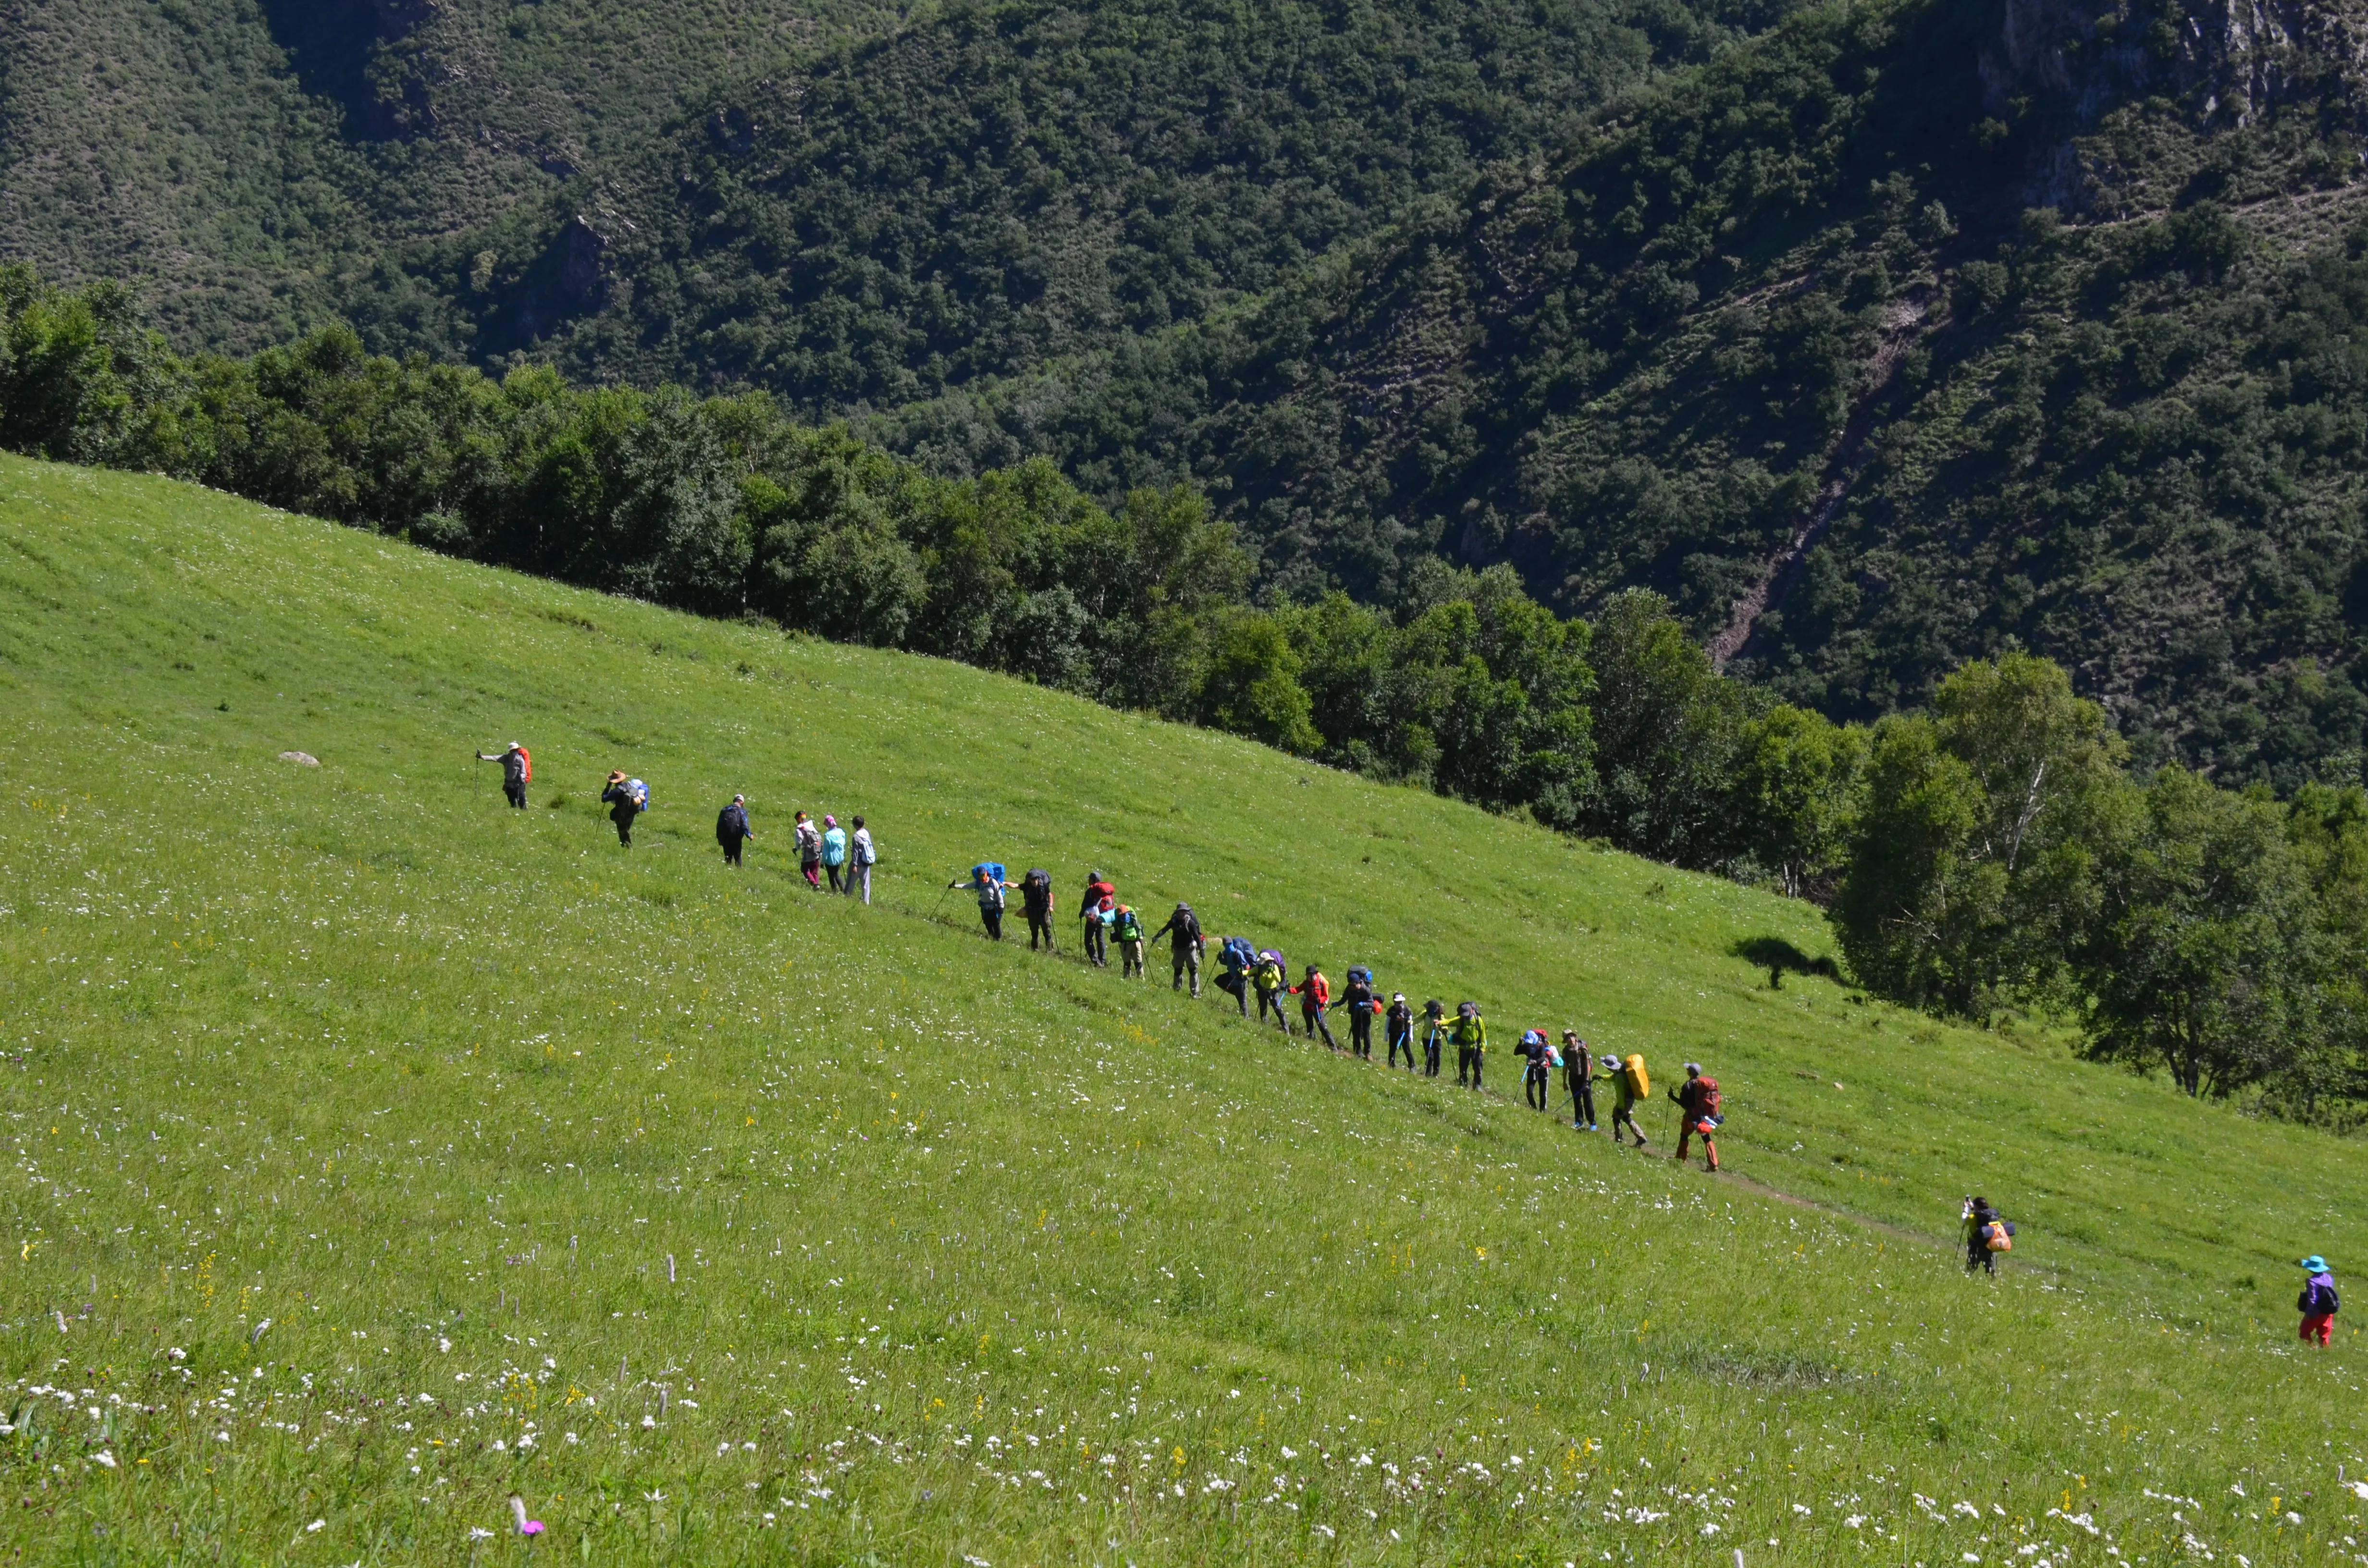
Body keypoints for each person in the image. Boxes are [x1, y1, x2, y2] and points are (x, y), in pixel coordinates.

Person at [1670, 1062, 1720, 1171]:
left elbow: (1684, 1104)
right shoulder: (1703, 1086)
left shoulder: (1687, 1086)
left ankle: (1680, 1159)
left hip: (1691, 1117)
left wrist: (1672, 1097)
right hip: (1704, 1118)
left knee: (1684, 1136)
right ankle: (1714, 1164)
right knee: (1707, 1139)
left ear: (1689, 1073)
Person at [1150, 903, 1205, 996]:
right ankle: (1176, 990)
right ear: (1177, 912)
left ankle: (1195, 993)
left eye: (1184, 912)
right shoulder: (1174, 921)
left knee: (1193, 970)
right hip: (1178, 949)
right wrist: (1156, 937)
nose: (1182, 914)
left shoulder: (1190, 923)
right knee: (1178, 970)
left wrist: (1201, 950)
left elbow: (1196, 936)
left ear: (1186, 912)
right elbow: (1165, 929)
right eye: (1180, 912)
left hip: (1190, 949)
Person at [950, 863, 1010, 941]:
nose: (983, 877)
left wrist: (1001, 907)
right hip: (985, 908)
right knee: (987, 923)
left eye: (984, 875)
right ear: (978, 876)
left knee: (996, 924)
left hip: (995, 908)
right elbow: (966, 886)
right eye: (981, 876)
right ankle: (992, 939)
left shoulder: (993, 882)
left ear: (986, 874)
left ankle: (998, 940)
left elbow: (999, 895)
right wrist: (954, 886)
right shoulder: (978, 883)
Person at [1291, 965, 1340, 1049]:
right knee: (1310, 1026)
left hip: (1318, 1009)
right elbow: (1297, 990)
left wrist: (1320, 1000)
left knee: (1323, 1028)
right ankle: (1312, 1042)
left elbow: (1325, 997)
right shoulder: (1306, 983)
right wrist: (1287, 989)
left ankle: (1333, 1047)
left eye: (1309, 975)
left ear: (1313, 975)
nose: (1307, 977)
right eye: (1307, 975)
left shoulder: (1321, 983)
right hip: (1307, 1009)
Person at [1605, 1054, 1648, 1146]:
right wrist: (1601, 1077)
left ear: (1609, 1068)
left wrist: (1620, 1107)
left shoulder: (1619, 1078)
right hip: (1630, 1099)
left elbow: (1621, 1094)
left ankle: (1619, 1139)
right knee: (1626, 1118)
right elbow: (1611, 1078)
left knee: (1616, 1117)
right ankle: (1641, 1137)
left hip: (1625, 1101)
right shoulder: (1621, 1071)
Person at [1962, 1197, 2011, 1275]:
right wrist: (1972, 1207)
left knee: (1970, 1270)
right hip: (1990, 1246)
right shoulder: (1991, 1216)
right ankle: (1993, 1282)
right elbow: (1980, 1213)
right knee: (1992, 1273)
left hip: (1976, 1246)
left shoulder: (1973, 1218)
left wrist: (1966, 1208)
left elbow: (1964, 1220)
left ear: (1977, 1207)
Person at [2298, 1255, 2340, 1346]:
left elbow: (2313, 1299)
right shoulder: (2329, 1278)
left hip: (2317, 1312)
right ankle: (2326, 1353)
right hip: (2328, 1312)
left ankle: (2311, 1349)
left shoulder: (2312, 1282)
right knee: (2324, 1336)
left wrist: (2309, 1314)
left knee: (2304, 1332)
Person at [477, 741, 530, 808]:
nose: (514, 752)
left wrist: (521, 778)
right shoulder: (505, 758)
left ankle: (523, 813)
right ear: (510, 751)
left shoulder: (520, 760)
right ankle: (514, 813)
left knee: (522, 802)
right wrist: (482, 757)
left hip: (519, 784)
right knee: (512, 801)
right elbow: (494, 758)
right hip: (509, 784)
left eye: (516, 751)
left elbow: (524, 772)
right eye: (513, 751)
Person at [1079, 872, 1116, 968]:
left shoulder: (1091, 891)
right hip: (1103, 918)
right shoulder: (1106, 891)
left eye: (1090, 879)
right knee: (1100, 939)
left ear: (1093, 881)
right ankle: (1103, 961)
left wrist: (1082, 913)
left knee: (1088, 940)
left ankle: (1096, 961)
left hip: (1093, 918)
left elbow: (1085, 905)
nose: (1088, 881)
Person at [1341, 968, 1378, 1060]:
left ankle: (1368, 1053)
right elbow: (1344, 998)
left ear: (1358, 983)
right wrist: (1338, 1003)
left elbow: (1371, 1003)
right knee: (1356, 1032)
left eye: (1353, 986)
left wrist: (1363, 1004)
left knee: (1366, 1033)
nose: (1352, 987)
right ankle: (1358, 1051)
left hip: (1365, 1014)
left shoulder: (1366, 990)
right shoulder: (1349, 989)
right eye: (1350, 985)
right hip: (1355, 1012)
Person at [1562, 1030, 1596, 1129]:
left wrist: (1586, 1080)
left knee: (1587, 1100)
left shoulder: (1582, 1048)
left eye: (1572, 1037)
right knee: (1577, 1101)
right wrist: (1564, 1082)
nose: (1571, 1040)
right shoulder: (1566, 1051)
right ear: (1566, 1041)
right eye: (1568, 1038)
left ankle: (1592, 1122)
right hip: (1573, 1078)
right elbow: (1565, 1067)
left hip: (1584, 1077)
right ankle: (1579, 1121)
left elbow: (1588, 1065)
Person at [600, 772, 642, 846]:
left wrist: (608, 786)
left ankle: (627, 847)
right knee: (626, 830)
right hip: (631, 812)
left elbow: (604, 799)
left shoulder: (617, 791)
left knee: (622, 832)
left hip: (622, 814)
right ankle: (626, 846)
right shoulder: (628, 786)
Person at [1214, 937, 1253, 1017]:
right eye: (1226, 944)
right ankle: (1236, 993)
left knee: (1242, 1001)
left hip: (1240, 979)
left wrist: (1241, 972)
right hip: (1232, 976)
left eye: (1229, 944)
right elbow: (1227, 963)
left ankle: (1246, 1018)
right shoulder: (1227, 953)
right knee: (1219, 980)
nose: (1228, 946)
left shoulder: (1238, 953)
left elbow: (1247, 966)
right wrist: (1221, 959)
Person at [1252, 950, 1289, 1033]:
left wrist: (1279, 986)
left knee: (1277, 1009)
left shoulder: (1277, 966)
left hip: (1273, 990)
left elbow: (1281, 978)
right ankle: (1266, 1027)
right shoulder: (1261, 965)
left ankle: (1286, 1031)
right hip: (1264, 988)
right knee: (1267, 1008)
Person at [1451, 1002, 1486, 1090]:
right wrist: (1440, 1023)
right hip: (1464, 1048)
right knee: (1463, 1067)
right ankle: (1463, 1082)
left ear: (1471, 1011)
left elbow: (1483, 1035)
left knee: (1477, 1068)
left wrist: (1483, 1048)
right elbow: (1450, 1022)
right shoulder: (1461, 1020)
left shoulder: (1478, 1020)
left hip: (1476, 1048)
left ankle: (1477, 1085)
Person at [1020, 869, 1057, 951]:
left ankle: (1050, 950)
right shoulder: (1028, 887)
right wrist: (1005, 883)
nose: (1034, 881)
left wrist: (1051, 906)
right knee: (1034, 932)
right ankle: (1035, 949)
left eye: (1035, 879)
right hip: (1032, 912)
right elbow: (1016, 886)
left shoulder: (1044, 886)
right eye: (1032, 879)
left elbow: (1050, 896)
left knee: (1046, 931)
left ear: (1038, 879)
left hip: (1043, 912)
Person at [715, 794, 753, 867]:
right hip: (736, 837)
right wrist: (749, 835)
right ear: (742, 803)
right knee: (738, 857)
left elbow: (719, 824)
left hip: (725, 836)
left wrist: (719, 838)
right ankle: (739, 873)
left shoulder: (725, 810)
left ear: (734, 801)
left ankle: (727, 872)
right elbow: (745, 825)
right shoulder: (742, 812)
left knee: (727, 857)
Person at [1111, 903, 1147, 978]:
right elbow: (1110, 924)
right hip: (1125, 945)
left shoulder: (1133, 920)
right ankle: (1127, 979)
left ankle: (1141, 979)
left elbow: (1138, 928)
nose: (1124, 916)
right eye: (1122, 915)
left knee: (1138, 962)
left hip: (1136, 943)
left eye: (1125, 914)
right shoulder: (1119, 923)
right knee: (1127, 963)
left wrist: (1141, 939)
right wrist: (1102, 924)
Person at [1519, 1029, 1552, 1111]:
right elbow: (1516, 1052)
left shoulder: (1542, 1045)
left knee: (1543, 1093)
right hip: (1532, 1070)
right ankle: (1533, 1108)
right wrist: (1520, 1043)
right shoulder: (1528, 1045)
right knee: (1529, 1093)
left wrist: (1535, 1062)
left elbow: (1543, 1057)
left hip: (1543, 1069)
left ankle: (1542, 1111)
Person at [846, 816, 876, 903]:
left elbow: (855, 852)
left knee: (851, 880)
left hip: (858, 863)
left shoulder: (856, 836)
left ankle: (847, 896)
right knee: (866, 884)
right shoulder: (866, 833)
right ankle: (866, 901)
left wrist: (854, 865)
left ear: (855, 825)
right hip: (866, 862)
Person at [1385, 993, 1416, 1070]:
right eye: (1397, 1003)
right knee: (1392, 1048)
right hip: (1393, 1033)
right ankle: (1391, 1064)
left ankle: (1412, 1066)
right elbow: (1387, 1023)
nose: (1399, 1004)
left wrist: (1411, 1035)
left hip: (1404, 1033)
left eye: (1401, 1002)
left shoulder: (1407, 1010)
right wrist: (1386, 1035)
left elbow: (1411, 1023)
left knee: (1407, 1049)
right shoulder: (1391, 1010)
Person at [794, 811, 823, 889]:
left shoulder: (800, 829)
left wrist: (796, 848)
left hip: (808, 852)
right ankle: (817, 885)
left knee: (805, 869)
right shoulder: (812, 826)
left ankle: (814, 884)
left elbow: (799, 841)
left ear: (798, 820)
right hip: (818, 850)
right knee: (814, 870)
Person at [821, 816, 850, 893]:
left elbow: (825, 852)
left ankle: (834, 892)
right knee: (837, 874)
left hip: (830, 861)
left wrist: (822, 862)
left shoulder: (828, 836)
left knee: (831, 876)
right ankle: (844, 890)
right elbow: (843, 844)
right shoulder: (841, 832)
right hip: (839, 859)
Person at [1421, 999, 1447, 1078]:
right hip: (1426, 1038)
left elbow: (1444, 1023)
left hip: (1436, 1039)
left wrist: (1445, 1029)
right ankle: (1428, 1073)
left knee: (1437, 1056)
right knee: (1430, 1056)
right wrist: (1411, 1022)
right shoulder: (1426, 1014)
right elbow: (1417, 1019)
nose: (1427, 1009)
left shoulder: (1440, 1016)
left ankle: (1436, 1073)